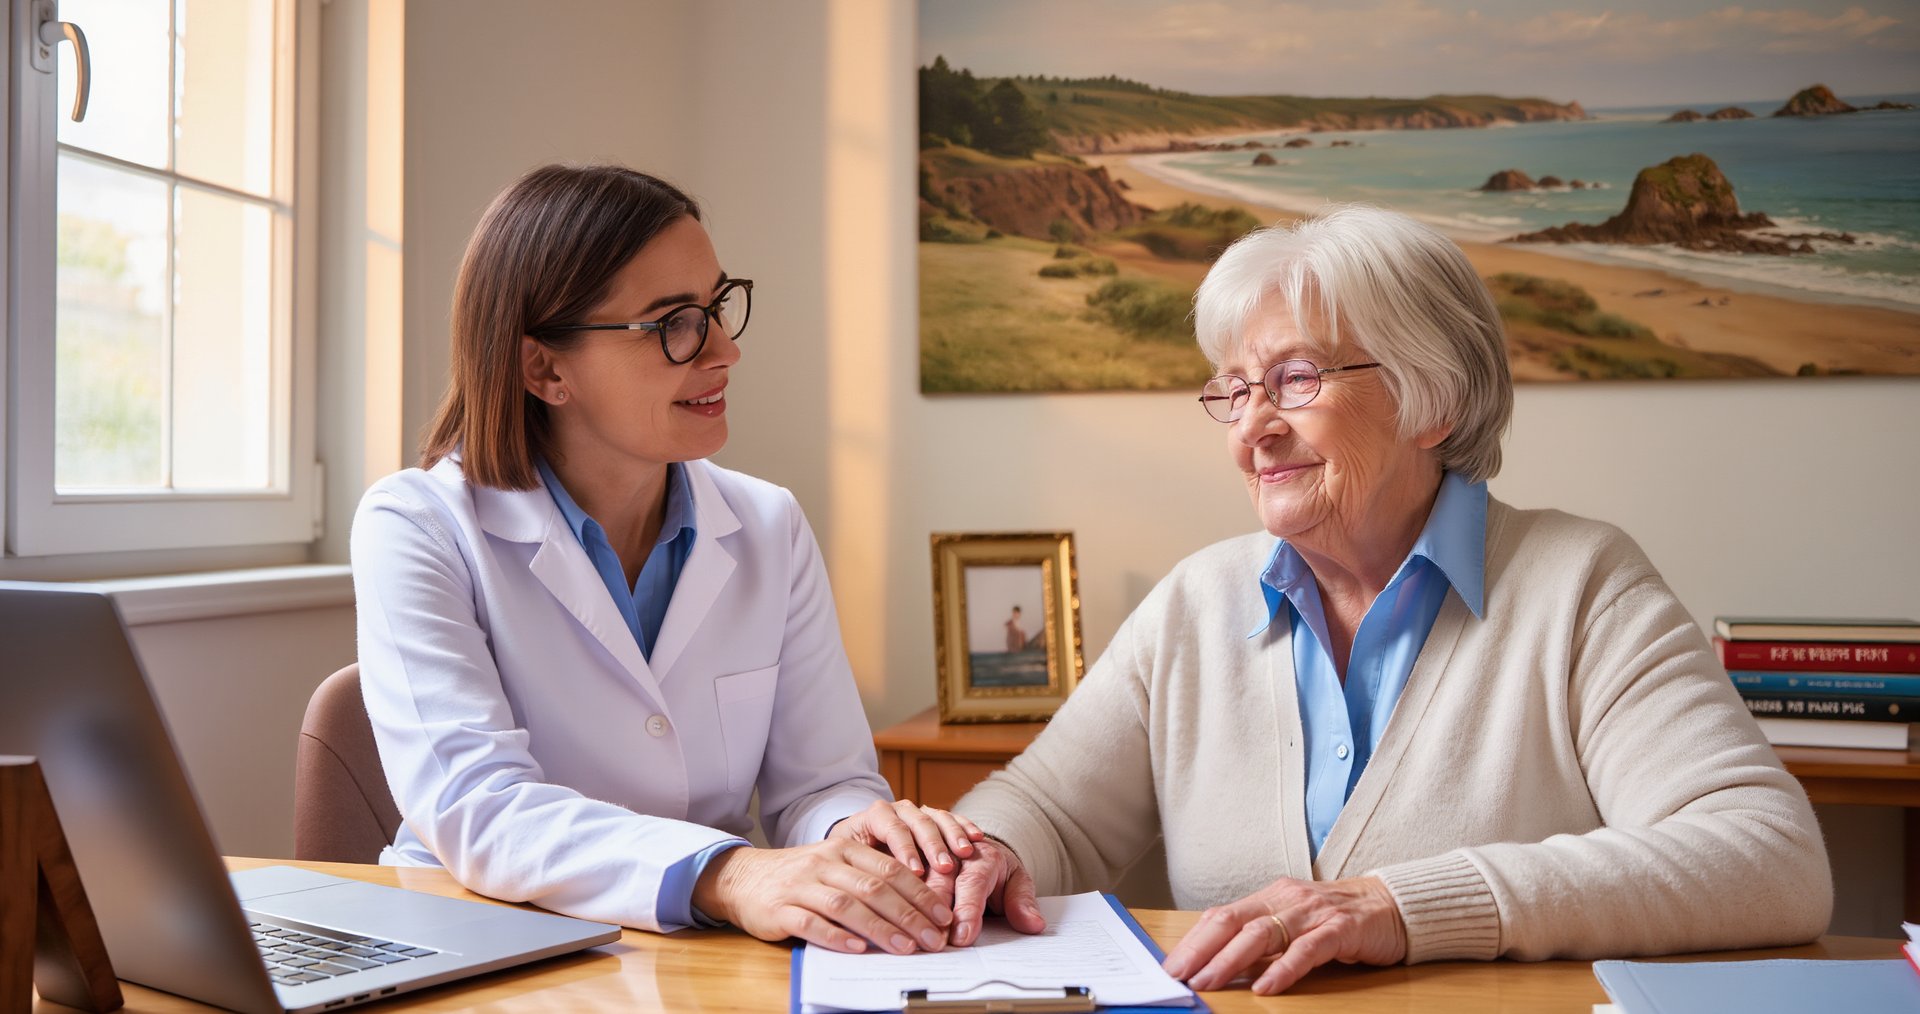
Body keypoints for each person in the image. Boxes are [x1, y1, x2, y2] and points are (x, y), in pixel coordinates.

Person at [940, 205, 1832, 993]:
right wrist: (976, 857)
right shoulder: (1197, 603)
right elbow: (1049, 811)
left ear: (1429, 399)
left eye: (1295, 379)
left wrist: (1400, 907)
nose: (1253, 428)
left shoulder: (1580, 584)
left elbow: (1769, 858)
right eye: (1238, 389)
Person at [351, 164, 977, 955]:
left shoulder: (767, 524)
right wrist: (733, 876)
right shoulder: (418, 525)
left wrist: (865, 830)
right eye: (674, 322)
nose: (723, 350)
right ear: (545, 369)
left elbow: (821, 783)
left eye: (716, 307)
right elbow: (480, 809)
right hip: (477, 948)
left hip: (694, 954)